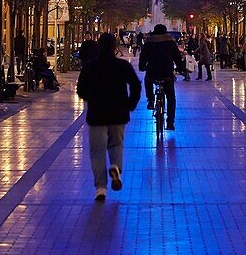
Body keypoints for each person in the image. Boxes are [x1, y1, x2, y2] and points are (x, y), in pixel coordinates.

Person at [76, 33, 142, 201]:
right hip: (119, 113)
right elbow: (135, 84)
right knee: (116, 144)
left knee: (97, 151)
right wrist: (130, 104)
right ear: (115, 46)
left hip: (97, 114)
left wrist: (91, 98)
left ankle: (100, 188)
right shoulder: (122, 66)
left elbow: (81, 89)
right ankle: (116, 167)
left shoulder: (90, 66)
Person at [139, 24, 185, 129]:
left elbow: (143, 56)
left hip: (152, 71)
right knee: (171, 97)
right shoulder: (170, 42)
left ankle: (150, 100)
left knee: (148, 80)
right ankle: (170, 122)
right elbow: (177, 57)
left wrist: (142, 66)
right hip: (167, 72)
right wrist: (181, 68)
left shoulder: (149, 42)